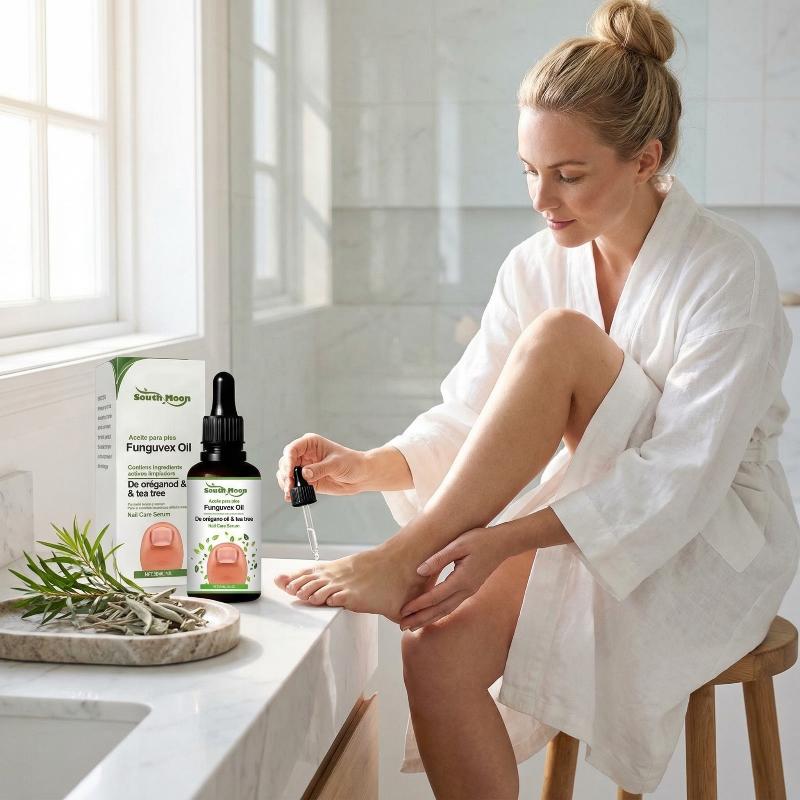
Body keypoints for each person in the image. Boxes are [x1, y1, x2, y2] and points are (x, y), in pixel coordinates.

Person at [274, 0, 800, 796]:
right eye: (529, 170)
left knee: (559, 339)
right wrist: (373, 465)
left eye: (569, 174)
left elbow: (685, 475)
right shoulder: (535, 264)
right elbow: (474, 413)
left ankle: (402, 557)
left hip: (703, 536)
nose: (540, 198)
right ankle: (405, 557)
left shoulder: (728, 270)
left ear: (646, 158)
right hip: (586, 514)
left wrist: (504, 540)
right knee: (433, 651)